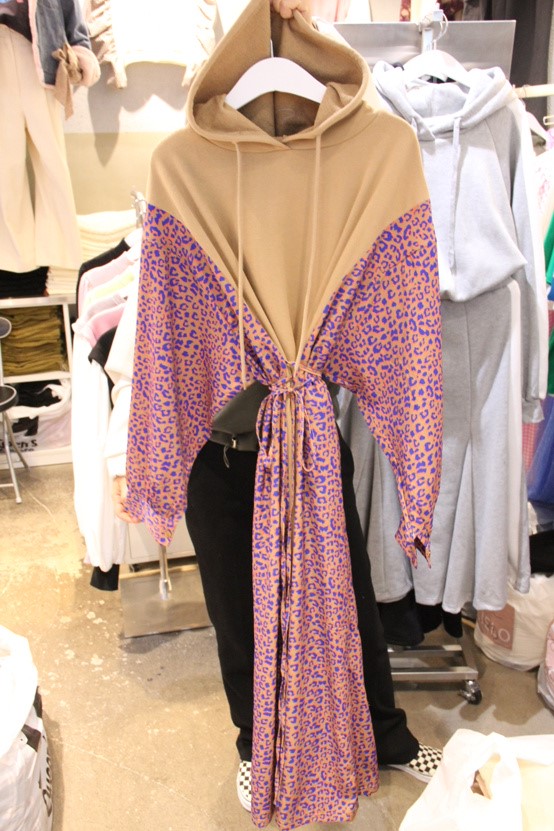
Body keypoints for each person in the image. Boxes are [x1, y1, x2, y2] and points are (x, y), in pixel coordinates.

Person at [112, 0, 443, 813]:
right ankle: (254, 746)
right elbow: (164, 338)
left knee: (349, 596)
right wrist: (147, 459)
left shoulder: (377, 153)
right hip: (221, 449)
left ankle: (383, 733)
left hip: (310, 440)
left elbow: (404, 321)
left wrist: (416, 457)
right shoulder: (182, 169)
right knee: (238, 616)